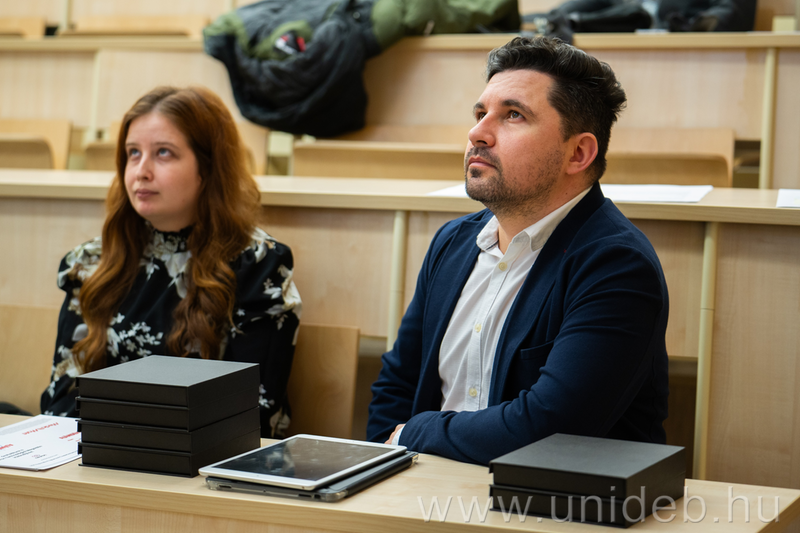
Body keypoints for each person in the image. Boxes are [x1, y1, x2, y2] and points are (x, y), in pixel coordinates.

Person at [367, 37, 669, 465]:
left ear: (578, 153)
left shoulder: (617, 265)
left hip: (551, 500)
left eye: (513, 115)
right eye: (480, 114)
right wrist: (384, 459)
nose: (477, 133)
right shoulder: (452, 242)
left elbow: (551, 428)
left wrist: (413, 433)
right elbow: (397, 385)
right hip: (423, 485)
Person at [40, 86, 302, 438]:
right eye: (133, 153)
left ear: (208, 168)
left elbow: (251, 415)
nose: (141, 171)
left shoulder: (258, 265)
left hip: (202, 465)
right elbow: (60, 404)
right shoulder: (90, 263)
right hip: (93, 456)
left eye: (163, 153)